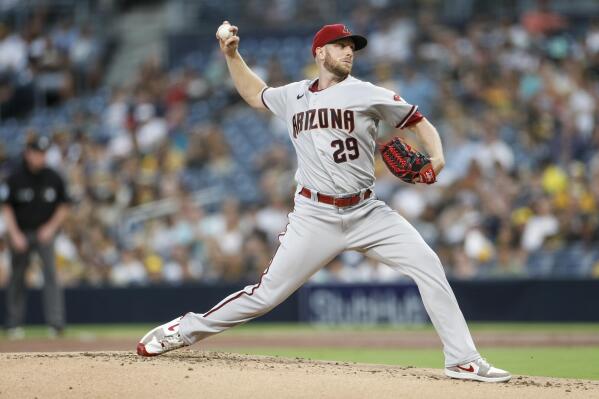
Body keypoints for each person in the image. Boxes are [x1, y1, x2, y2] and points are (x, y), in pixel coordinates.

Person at [137, 22, 511, 383]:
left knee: (428, 264)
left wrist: (438, 157)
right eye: (342, 45)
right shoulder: (294, 95)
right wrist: (232, 55)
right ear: (320, 52)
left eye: (353, 47)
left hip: (366, 211)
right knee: (265, 296)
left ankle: (462, 360)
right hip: (314, 215)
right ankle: (182, 330)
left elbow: (418, 121)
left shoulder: (366, 92)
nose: (349, 51)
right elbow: (255, 93)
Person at [1, 136, 69, 338]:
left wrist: (50, 228)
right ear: (28, 153)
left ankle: (56, 324)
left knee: (51, 277)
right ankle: (13, 324)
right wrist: (14, 234)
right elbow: (7, 207)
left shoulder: (53, 177)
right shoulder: (15, 177)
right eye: (38, 153)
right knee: (17, 277)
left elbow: (64, 205)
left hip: (45, 234)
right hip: (21, 233)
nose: (41, 157)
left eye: (44, 153)